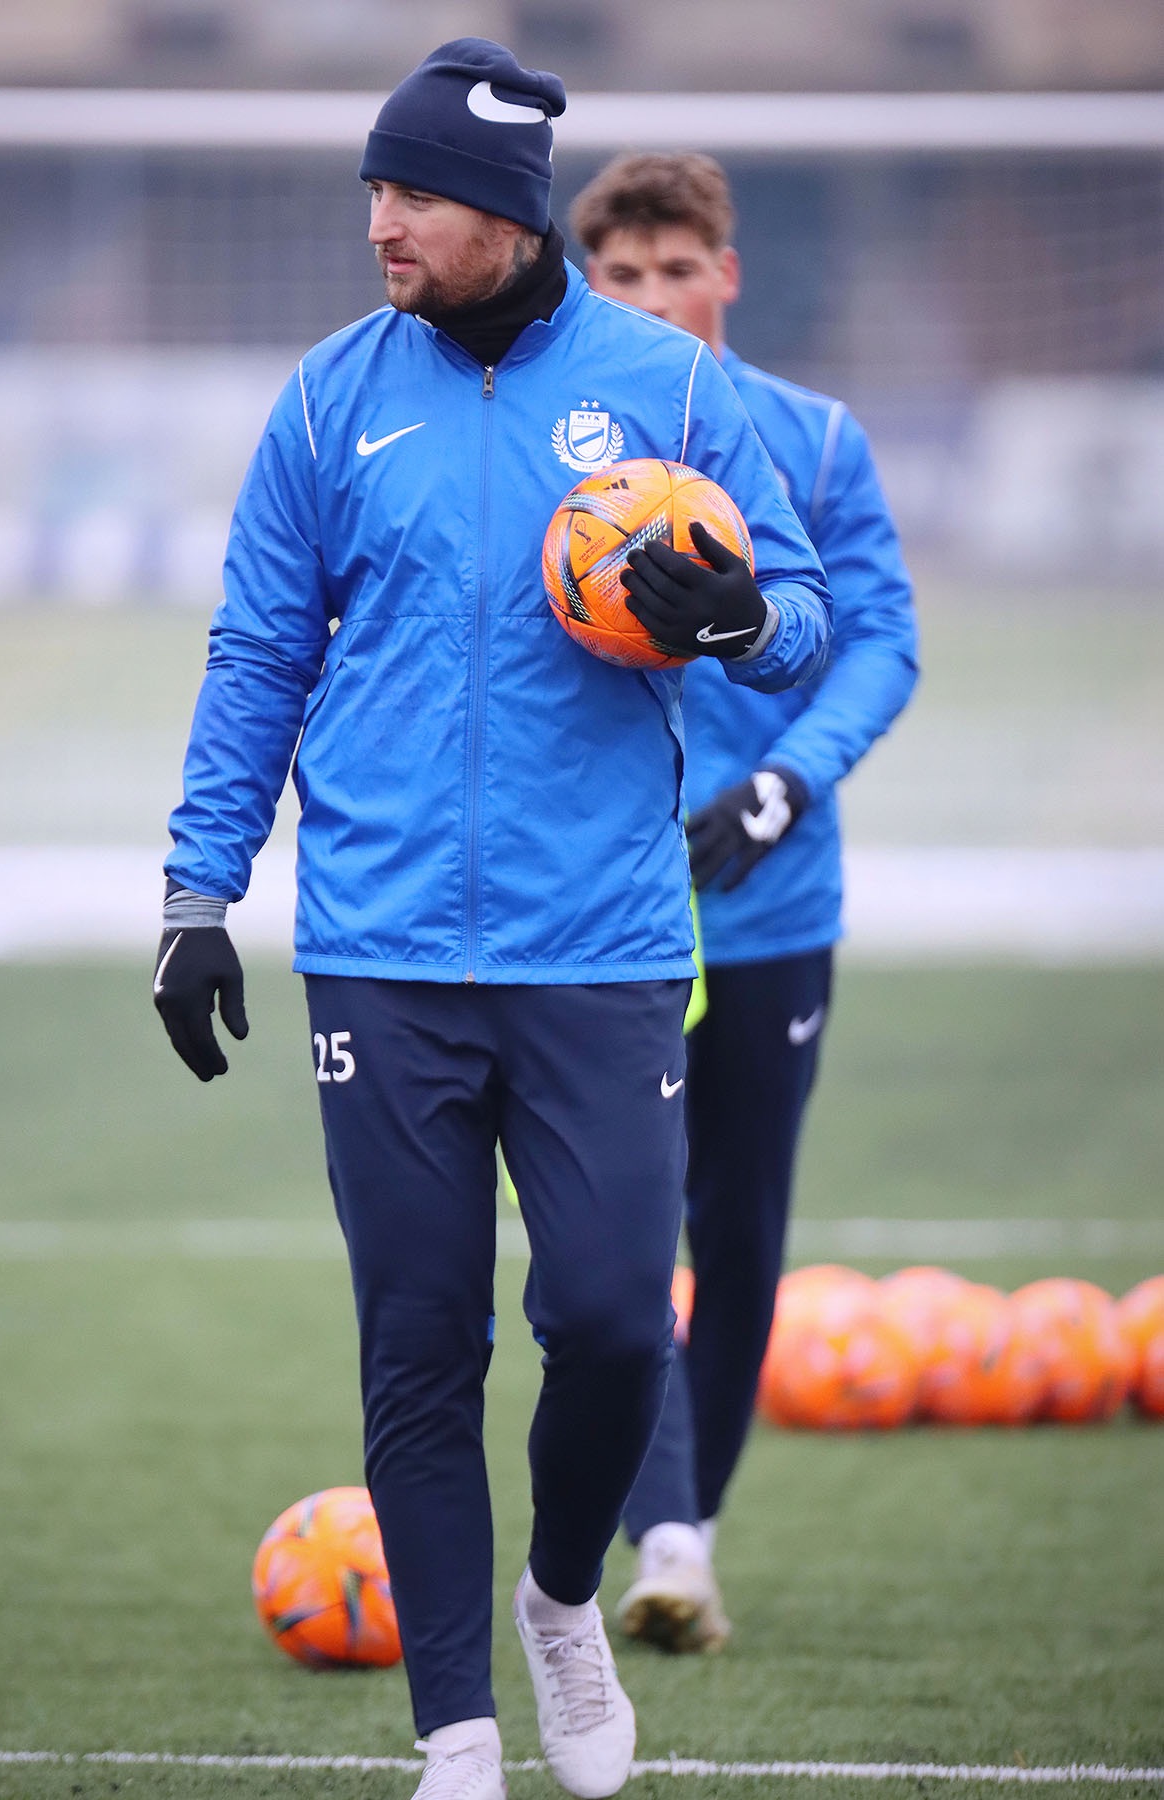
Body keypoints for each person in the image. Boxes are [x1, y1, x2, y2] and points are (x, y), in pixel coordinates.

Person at [153, 46, 832, 1800]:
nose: (382, 222)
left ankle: (560, 1600)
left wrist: (734, 620)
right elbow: (257, 651)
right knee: (417, 1343)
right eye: (373, 190)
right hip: (377, 951)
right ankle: (452, 1733)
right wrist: (198, 892)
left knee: (608, 1320)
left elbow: (804, 615)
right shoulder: (327, 399)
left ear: (508, 215)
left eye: (416, 194)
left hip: (600, 949)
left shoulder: (667, 389)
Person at [574, 152, 919, 1653]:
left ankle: (684, 1533)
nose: (655, 300)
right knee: (617, 1237)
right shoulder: (561, 446)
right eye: (623, 276)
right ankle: (661, 1532)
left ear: (728, 274)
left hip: (772, 906)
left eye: (678, 271)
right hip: (604, 913)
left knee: (739, 1231)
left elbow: (882, 641)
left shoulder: (816, 439)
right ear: (588, 284)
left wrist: (785, 782)